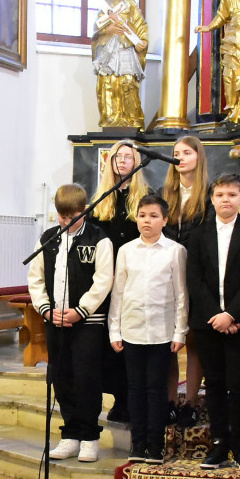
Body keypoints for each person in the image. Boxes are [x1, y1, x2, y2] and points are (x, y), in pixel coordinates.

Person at [188, 174, 240, 472]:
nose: (225, 200)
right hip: (207, 321)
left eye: (232, 195)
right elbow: (193, 279)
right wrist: (215, 315)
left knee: (239, 383)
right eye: (220, 194)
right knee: (216, 383)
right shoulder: (198, 235)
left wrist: (232, 314)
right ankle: (220, 441)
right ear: (212, 198)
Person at [28, 183, 113, 462]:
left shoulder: (99, 239)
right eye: (61, 217)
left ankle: (89, 436)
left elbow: (103, 281)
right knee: (61, 376)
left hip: (86, 322)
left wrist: (81, 310)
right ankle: (70, 434)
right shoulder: (49, 238)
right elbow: (36, 277)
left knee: (86, 377)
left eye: (71, 217)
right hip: (56, 320)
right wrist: (45, 309)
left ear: (83, 211)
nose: (65, 222)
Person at [109, 194, 189, 465]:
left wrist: (180, 332)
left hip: (161, 331)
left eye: (154, 216)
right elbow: (118, 293)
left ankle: (154, 444)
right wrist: (114, 330)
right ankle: (138, 441)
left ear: (165, 220)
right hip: (131, 330)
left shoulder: (175, 251)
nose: (147, 220)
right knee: (135, 388)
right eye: (143, 215)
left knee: (155, 389)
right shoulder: (126, 251)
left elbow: (181, 295)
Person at [91, 140, 149, 421]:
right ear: (110, 163)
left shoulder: (144, 199)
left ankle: (131, 397)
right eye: (118, 157)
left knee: (131, 338)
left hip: (137, 280)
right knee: (109, 342)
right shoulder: (101, 201)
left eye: (128, 157)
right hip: (106, 280)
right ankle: (117, 397)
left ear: (137, 162)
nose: (123, 161)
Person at [162, 136, 211, 426]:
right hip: (167, 275)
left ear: (198, 157)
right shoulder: (167, 192)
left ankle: (190, 402)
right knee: (170, 340)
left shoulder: (208, 194)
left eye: (187, 153)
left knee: (194, 341)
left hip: (197, 274)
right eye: (176, 153)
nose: (181, 158)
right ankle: (169, 400)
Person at [91, 0, 148, 128]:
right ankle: (109, 119)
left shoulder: (130, 4)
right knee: (107, 82)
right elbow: (97, 28)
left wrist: (143, 41)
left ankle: (131, 119)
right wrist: (108, 30)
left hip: (126, 47)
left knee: (128, 81)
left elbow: (140, 24)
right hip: (108, 50)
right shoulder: (105, 5)